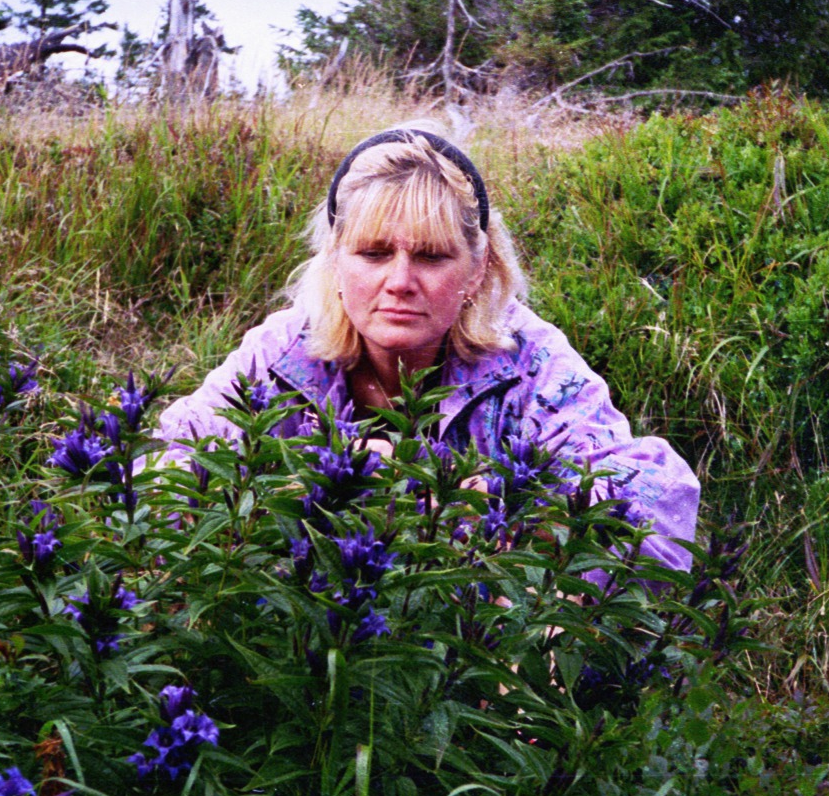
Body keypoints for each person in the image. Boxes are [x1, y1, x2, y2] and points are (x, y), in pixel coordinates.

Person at [153, 124, 699, 572]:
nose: (400, 281)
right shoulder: (281, 354)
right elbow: (165, 467)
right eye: (372, 253)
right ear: (336, 262)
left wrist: (499, 504)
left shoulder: (527, 359)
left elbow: (661, 501)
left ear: (478, 267)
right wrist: (313, 479)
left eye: (433, 257)